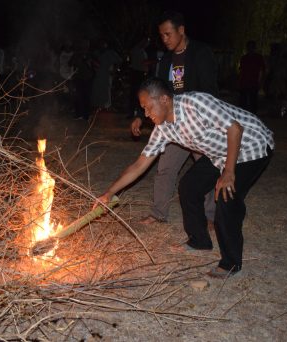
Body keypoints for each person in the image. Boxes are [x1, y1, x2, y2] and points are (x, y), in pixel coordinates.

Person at [97, 78, 274, 278]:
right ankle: (199, 241)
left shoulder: (196, 103)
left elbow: (235, 129)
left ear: (164, 99)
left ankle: (231, 263)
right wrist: (110, 192)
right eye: (143, 109)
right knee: (189, 186)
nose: (146, 114)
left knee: (227, 196)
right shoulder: (163, 128)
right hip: (219, 153)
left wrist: (228, 172)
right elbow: (140, 165)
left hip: (253, 145)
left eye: (148, 107)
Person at [130, 11, 218, 225]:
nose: (165, 39)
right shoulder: (166, 58)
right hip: (173, 125)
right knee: (165, 169)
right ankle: (158, 213)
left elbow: (210, 91)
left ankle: (211, 217)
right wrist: (141, 115)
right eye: (162, 35)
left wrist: (204, 120)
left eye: (168, 34)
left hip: (197, 125)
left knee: (205, 171)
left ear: (181, 30)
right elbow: (155, 91)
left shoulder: (201, 53)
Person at [91, 40, 122, 110]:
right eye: (100, 44)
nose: (101, 45)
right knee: (97, 89)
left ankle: (107, 106)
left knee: (106, 89)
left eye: (103, 44)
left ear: (106, 45)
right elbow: (93, 62)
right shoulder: (96, 52)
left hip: (107, 75)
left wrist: (114, 70)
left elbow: (119, 61)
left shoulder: (111, 53)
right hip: (98, 74)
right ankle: (98, 106)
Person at [238, 40, 265, 114]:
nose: (250, 49)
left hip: (253, 83)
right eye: (249, 47)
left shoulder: (258, 58)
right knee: (243, 102)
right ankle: (243, 116)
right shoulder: (244, 58)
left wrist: (260, 82)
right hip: (244, 83)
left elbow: (262, 71)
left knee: (253, 102)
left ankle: (252, 116)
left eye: (252, 47)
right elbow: (241, 71)